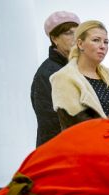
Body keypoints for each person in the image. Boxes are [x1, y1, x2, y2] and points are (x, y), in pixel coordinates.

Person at [51, 20, 109, 129]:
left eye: (106, 42)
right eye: (96, 40)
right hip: (88, 143)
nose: (103, 46)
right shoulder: (64, 78)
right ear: (80, 44)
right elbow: (76, 125)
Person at [30, 11, 80, 147]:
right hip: (58, 151)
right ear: (54, 38)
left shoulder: (80, 68)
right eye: (68, 33)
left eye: (78, 32)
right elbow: (50, 124)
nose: (75, 37)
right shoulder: (47, 74)